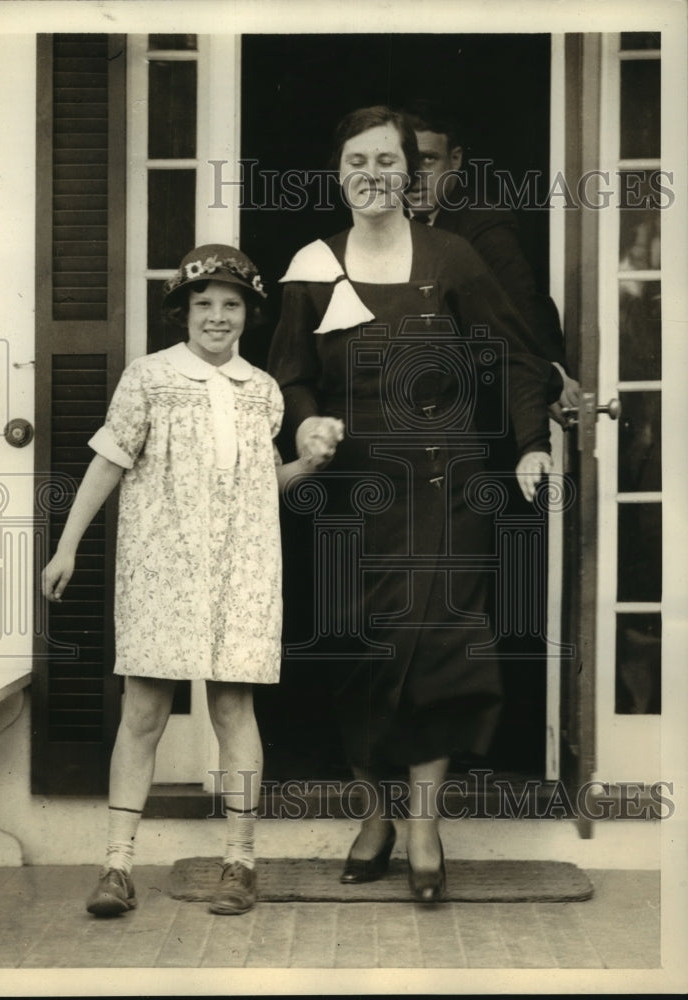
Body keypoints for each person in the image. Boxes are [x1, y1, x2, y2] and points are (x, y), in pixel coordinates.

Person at [267, 106, 558, 903]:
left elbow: (517, 357)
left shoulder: (452, 257)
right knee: (353, 649)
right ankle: (375, 812)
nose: (372, 174)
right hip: (348, 490)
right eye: (356, 159)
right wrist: (306, 420)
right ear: (337, 172)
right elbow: (287, 372)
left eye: (387, 161)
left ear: (410, 172)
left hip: (444, 485)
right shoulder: (310, 264)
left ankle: (423, 823)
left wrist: (531, 443)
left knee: (439, 649)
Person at [42, 245, 326, 918]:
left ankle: (239, 863)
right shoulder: (148, 378)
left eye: (231, 306)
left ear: (248, 316)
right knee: (142, 713)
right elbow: (108, 462)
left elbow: (263, 484)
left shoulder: (263, 392)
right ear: (183, 312)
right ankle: (116, 867)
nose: (217, 318)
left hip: (240, 573)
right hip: (161, 568)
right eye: (204, 305)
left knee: (234, 711)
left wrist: (306, 466)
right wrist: (67, 547)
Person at [399, 99, 580, 422]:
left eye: (427, 159)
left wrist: (551, 370)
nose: (415, 176)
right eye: (406, 161)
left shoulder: (483, 222)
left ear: (454, 160)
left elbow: (523, 301)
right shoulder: (381, 220)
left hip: (469, 402)